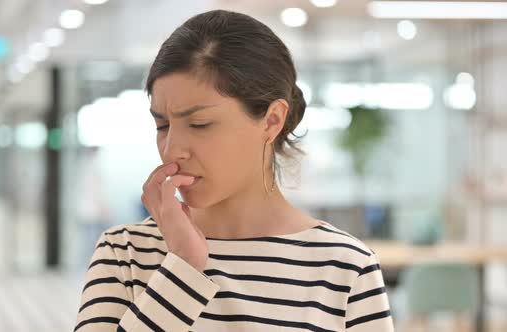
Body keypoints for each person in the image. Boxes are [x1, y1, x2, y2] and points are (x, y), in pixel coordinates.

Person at [74, 9, 394, 332]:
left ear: (271, 121)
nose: (171, 149)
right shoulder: (125, 252)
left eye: (200, 124)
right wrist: (183, 267)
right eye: (162, 125)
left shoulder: (346, 267)